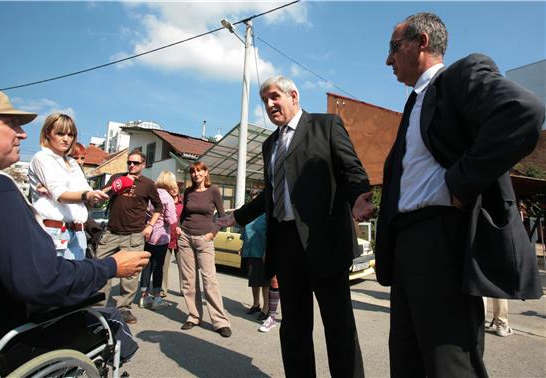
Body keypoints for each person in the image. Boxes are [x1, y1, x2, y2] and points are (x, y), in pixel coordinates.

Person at [375, 12, 544, 377]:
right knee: (406, 359)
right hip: (408, 245)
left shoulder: (460, 76)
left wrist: (461, 183)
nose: (388, 60)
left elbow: (522, 111)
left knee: (448, 363)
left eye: (393, 48)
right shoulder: (413, 104)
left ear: (421, 43)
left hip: (442, 241)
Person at [0, 86, 151, 376]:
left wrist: (91, 202)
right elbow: (40, 281)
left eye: (70, 134)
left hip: (74, 233)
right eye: (10, 123)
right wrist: (111, 266)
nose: (21, 133)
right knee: (106, 316)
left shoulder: (71, 165)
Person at [218, 76, 372, 377]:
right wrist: (237, 217)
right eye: (265, 101)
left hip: (323, 240)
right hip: (286, 243)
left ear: (294, 95)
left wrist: (359, 197)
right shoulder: (269, 144)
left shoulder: (325, 126)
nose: (270, 105)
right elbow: (270, 192)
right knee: (295, 327)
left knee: (338, 327)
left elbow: (350, 168)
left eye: (275, 97)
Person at [96, 149, 163, 325]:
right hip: (111, 232)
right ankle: (98, 307)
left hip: (134, 234)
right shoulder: (116, 177)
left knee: (130, 275)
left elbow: (158, 207)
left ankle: (124, 308)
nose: (131, 165)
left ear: (143, 165)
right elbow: (101, 196)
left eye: (135, 163)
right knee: (102, 269)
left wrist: (149, 226)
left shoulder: (148, 184)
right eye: (129, 162)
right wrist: (116, 185)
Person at [28, 113, 108, 260]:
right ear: (47, 133)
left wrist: (95, 197)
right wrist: (86, 195)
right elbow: (60, 194)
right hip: (54, 229)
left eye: (70, 135)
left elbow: (85, 192)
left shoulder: (72, 163)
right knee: (54, 278)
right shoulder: (42, 158)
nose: (66, 139)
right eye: (60, 133)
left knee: (77, 279)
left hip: (78, 231)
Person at [177, 161, 232, 338]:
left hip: (204, 239)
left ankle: (220, 322)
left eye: (199, 171)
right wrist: (178, 227)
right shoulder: (188, 192)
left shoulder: (213, 190)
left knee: (210, 281)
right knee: (189, 280)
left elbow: (222, 216)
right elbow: (184, 214)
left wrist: (212, 233)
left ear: (206, 172)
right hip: (185, 237)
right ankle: (194, 316)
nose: (196, 175)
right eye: (193, 172)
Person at [139, 171, 177, 310]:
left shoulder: (151, 193)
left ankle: (144, 296)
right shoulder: (167, 197)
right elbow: (171, 219)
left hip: (147, 234)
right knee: (158, 267)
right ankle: (157, 298)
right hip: (161, 236)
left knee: (146, 265)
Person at [240, 212, 269, 319]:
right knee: (253, 280)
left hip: (262, 253)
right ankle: (256, 304)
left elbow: (270, 235)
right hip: (250, 252)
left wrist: (267, 251)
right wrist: (242, 247)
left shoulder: (266, 215)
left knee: (264, 281)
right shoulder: (250, 215)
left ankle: (266, 308)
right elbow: (245, 234)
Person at [162, 172, 185, 297]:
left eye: (176, 188)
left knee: (183, 266)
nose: (174, 190)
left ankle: (184, 289)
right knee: (164, 266)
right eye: (172, 188)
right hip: (167, 236)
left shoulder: (183, 203)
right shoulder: (166, 201)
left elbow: (186, 219)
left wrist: (181, 228)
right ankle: (162, 289)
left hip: (180, 237)